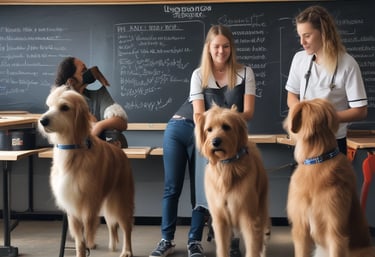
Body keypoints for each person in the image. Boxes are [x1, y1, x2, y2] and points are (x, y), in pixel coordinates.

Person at [190, 25, 257, 257]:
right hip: (209, 139)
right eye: (216, 46)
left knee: (241, 192)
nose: (221, 51)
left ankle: (235, 240)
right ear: (208, 48)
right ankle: (194, 239)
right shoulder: (199, 75)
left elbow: (248, 112)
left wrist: (228, 120)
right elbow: (198, 116)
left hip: (236, 138)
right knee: (205, 188)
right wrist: (216, 125)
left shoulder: (246, 72)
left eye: (226, 46)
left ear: (231, 48)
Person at [285, 5, 368, 154]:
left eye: (307, 35)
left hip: (333, 142)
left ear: (324, 32)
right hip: (304, 141)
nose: (302, 42)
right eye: (300, 36)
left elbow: (360, 111)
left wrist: (324, 119)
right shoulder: (299, 59)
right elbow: (291, 96)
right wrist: (301, 115)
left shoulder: (348, 64)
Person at [54, 57, 128, 147]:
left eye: (87, 69)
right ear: (71, 81)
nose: (88, 72)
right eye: (83, 70)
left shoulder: (98, 94)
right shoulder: (60, 104)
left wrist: (99, 126)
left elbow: (122, 123)